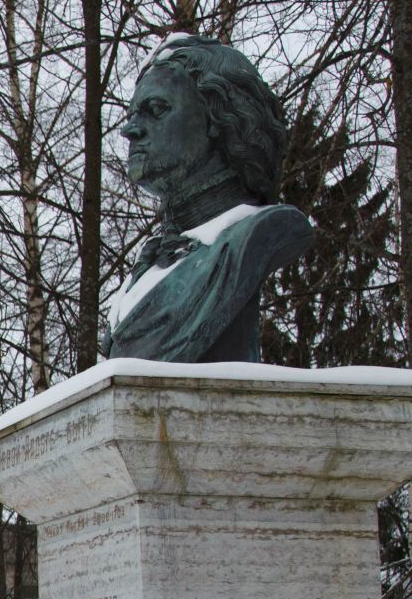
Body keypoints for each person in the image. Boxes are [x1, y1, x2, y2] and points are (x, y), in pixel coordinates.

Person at [102, 34, 311, 365]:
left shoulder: (249, 238)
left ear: (217, 116)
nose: (130, 130)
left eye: (156, 109)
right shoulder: (152, 262)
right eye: (132, 114)